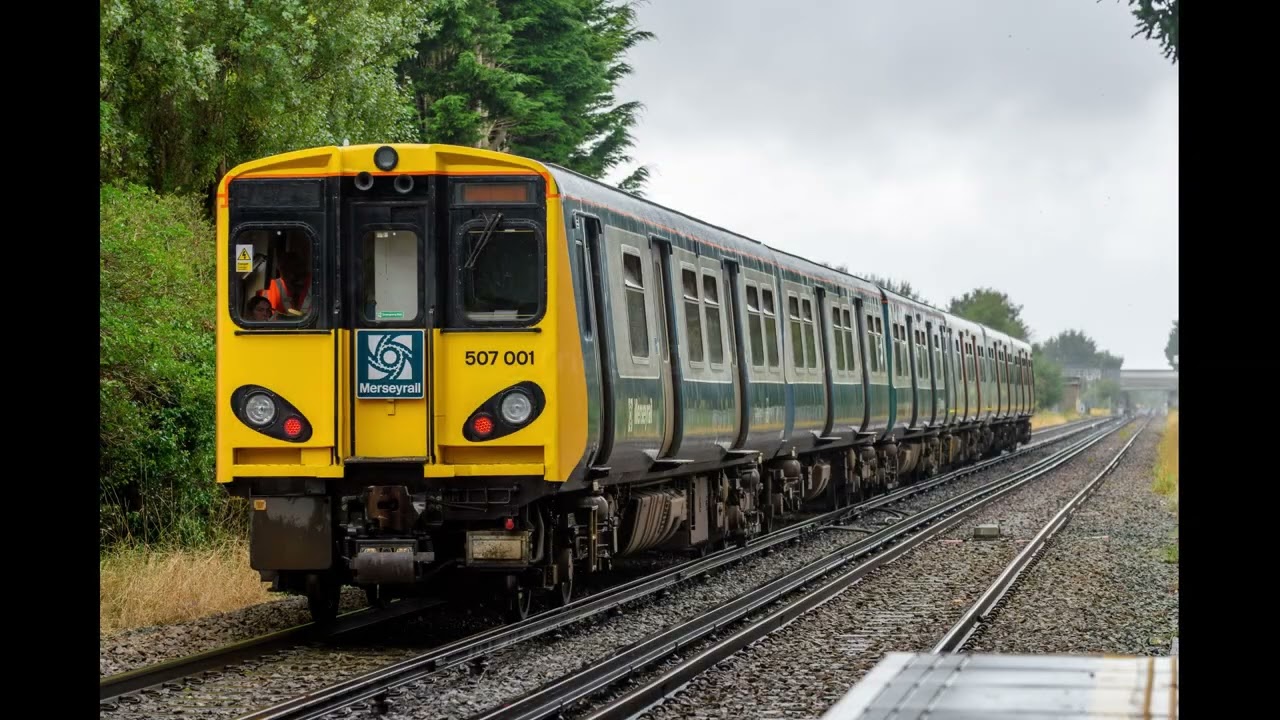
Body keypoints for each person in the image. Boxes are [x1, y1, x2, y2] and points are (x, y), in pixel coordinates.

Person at [264, 250, 313, 317]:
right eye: (282, 268)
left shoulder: (319, 285)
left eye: (292, 267)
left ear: (302, 269)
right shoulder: (271, 287)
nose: (285, 272)